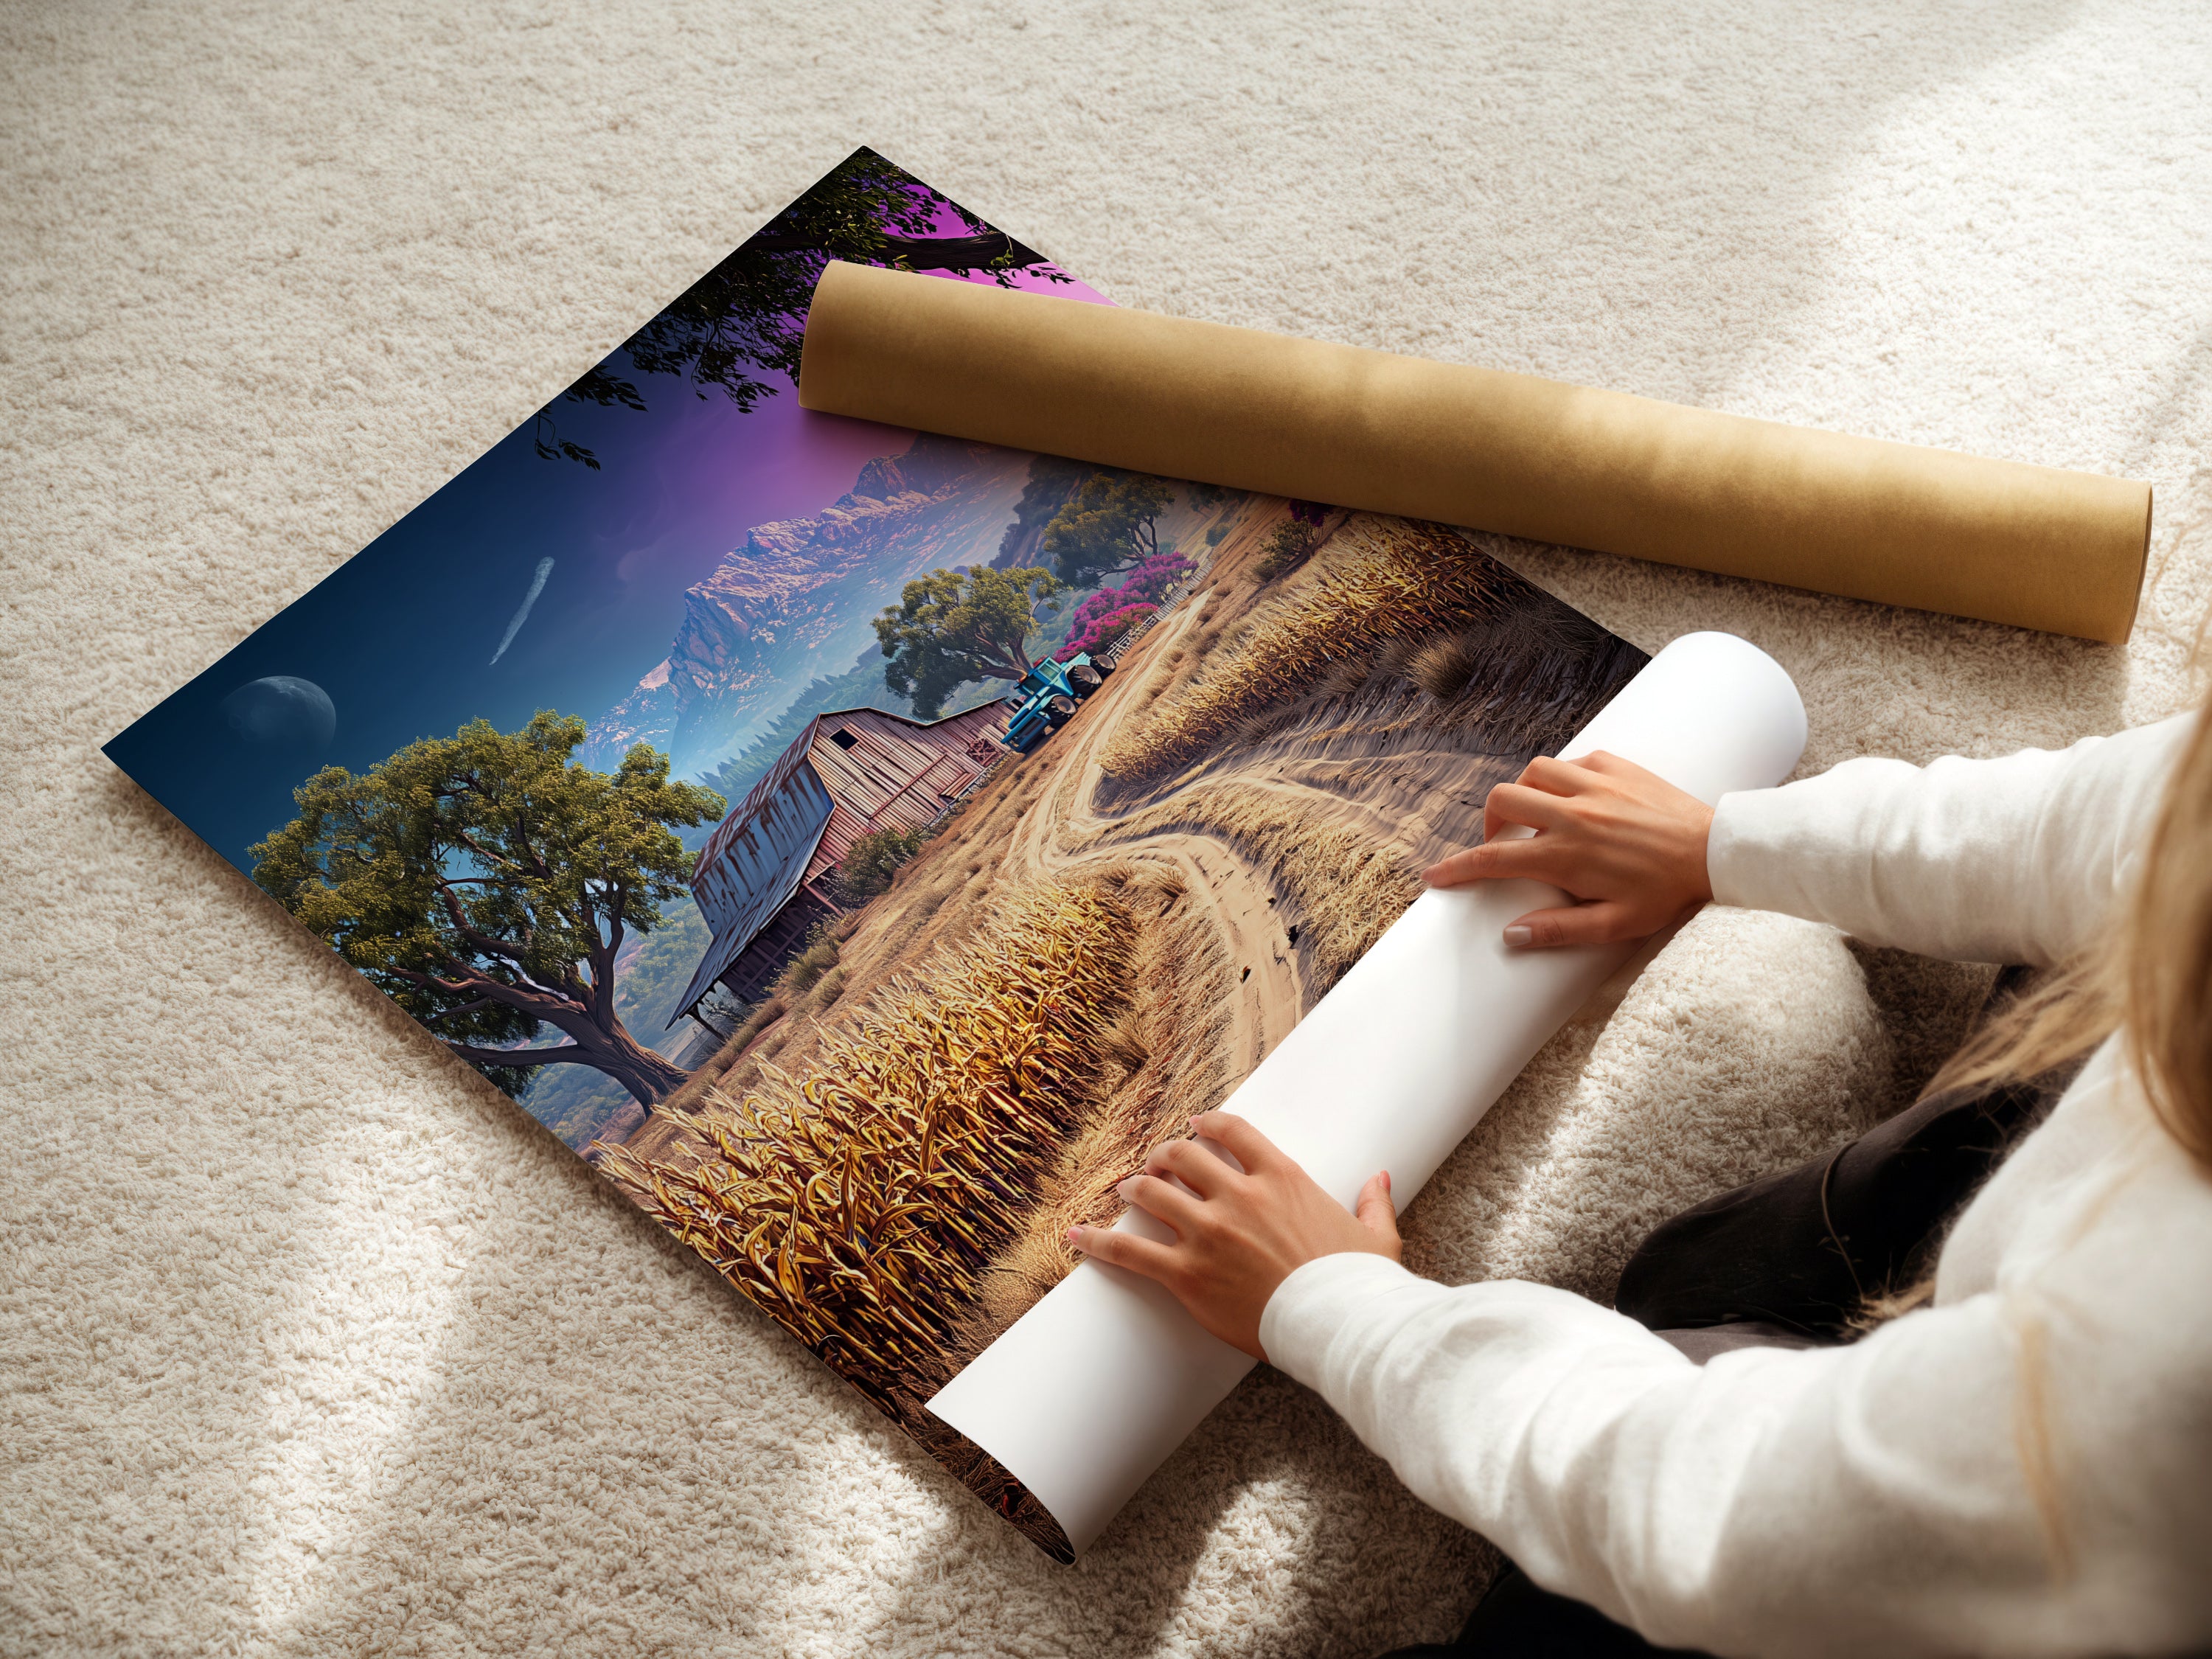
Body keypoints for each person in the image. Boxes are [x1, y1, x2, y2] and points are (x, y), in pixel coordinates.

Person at [1068, 712, 2212, 1657]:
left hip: (2044, 1553)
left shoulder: (2159, 1373)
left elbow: (1720, 1513)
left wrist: (1337, 1307)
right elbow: (2117, 819)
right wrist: (1720, 841)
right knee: (1695, 1272)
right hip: (2055, 1343)